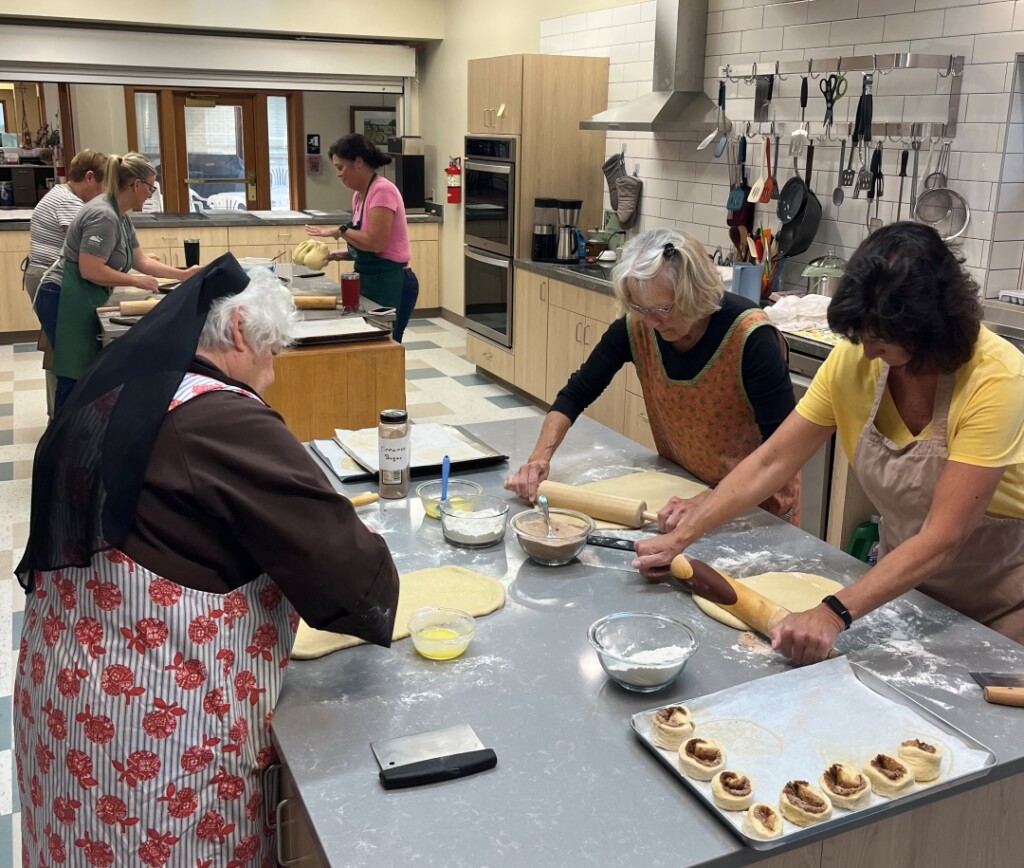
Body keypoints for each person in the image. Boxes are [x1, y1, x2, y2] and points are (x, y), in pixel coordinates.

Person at [13, 256, 400, 866]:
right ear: (240, 330)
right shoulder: (221, 417)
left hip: (67, 708)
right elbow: (354, 583)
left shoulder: (124, 386)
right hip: (156, 741)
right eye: (272, 353)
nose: (271, 375)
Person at [634, 223, 1024, 663]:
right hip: (901, 590)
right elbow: (772, 462)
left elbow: (942, 537)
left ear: (930, 330)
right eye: (863, 336)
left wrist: (833, 612)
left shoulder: (997, 380)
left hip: (998, 609)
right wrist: (682, 537)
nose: (868, 352)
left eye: (881, 339)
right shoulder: (854, 361)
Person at [505, 228, 800, 521]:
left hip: (756, 508)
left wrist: (707, 501)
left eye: (663, 309)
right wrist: (539, 459)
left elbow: (782, 452)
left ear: (694, 293)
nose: (650, 322)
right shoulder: (638, 325)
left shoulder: (750, 337)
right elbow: (576, 393)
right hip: (684, 489)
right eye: (639, 307)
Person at [37, 151, 202, 413]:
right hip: (63, 296)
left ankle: (81, 428)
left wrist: (182, 275)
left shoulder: (120, 214)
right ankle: (63, 433)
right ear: (136, 185)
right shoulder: (103, 215)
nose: (151, 194)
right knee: (75, 372)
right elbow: (90, 269)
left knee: (85, 371)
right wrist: (136, 281)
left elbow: (140, 260)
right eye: (151, 187)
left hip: (80, 296)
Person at [305, 133, 419, 342]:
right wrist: (335, 255)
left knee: (387, 346)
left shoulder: (382, 191)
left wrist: (340, 231)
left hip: (393, 282)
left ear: (358, 162)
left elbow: (376, 243)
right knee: (369, 345)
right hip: (370, 280)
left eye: (340, 167)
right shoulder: (359, 196)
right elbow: (364, 245)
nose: (338, 174)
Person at [22, 148, 107, 416]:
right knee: (71, 359)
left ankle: (59, 420)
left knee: (61, 354)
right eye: (103, 184)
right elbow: (87, 251)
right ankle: (64, 425)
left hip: (45, 277)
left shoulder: (61, 193)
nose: (104, 193)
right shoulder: (69, 202)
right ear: (90, 177)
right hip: (51, 282)